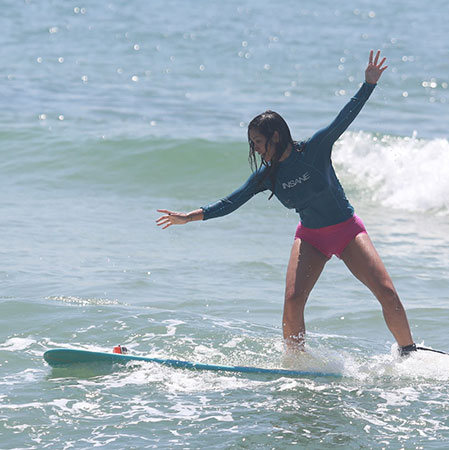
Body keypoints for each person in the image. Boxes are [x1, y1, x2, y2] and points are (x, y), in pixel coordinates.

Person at [157, 50, 420, 357]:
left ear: (276, 136)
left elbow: (344, 117)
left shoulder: (315, 149)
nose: (255, 148)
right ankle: (295, 365)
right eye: (252, 143)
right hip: (311, 237)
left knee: (387, 293)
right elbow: (232, 201)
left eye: (258, 141)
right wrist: (190, 217)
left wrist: (368, 84)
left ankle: (408, 353)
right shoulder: (267, 176)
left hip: (347, 231)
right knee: (293, 301)